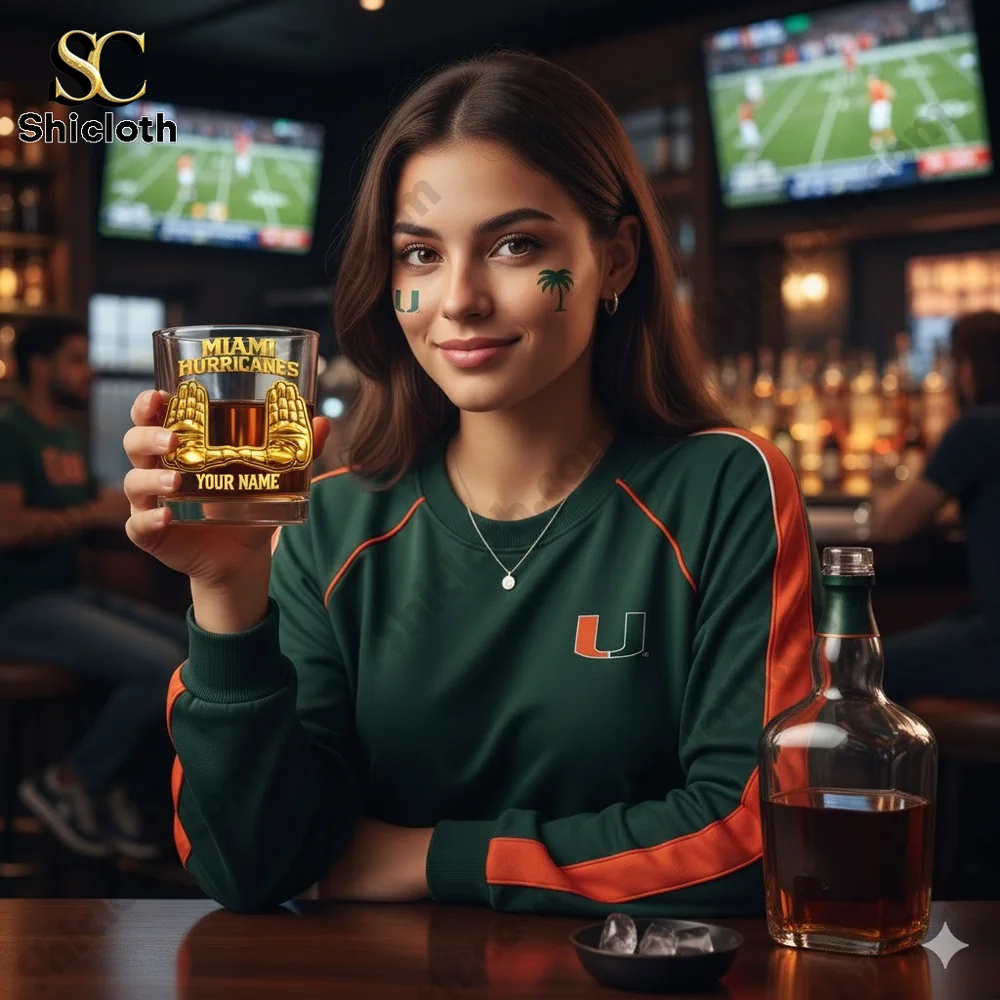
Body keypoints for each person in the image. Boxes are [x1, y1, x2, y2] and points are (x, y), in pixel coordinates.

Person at [124, 51, 822, 915]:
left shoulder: (726, 485)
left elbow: (755, 839)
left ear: (617, 259)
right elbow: (249, 870)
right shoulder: (324, 523)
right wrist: (226, 592)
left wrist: (431, 860)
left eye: (515, 246)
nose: (458, 299)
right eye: (419, 254)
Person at [0, 317, 187, 861]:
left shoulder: (62, 432)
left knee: (189, 645)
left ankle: (118, 789)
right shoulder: (11, 430)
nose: (91, 371)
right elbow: (8, 527)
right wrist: (88, 510)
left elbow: (86, 509)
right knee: (159, 667)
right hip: (15, 605)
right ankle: (68, 783)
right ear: (41, 366)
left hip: (62, 593)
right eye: (77, 359)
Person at [874, 311, 1000, 704]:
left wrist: (880, 482)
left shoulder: (977, 429)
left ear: (965, 373)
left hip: (993, 646)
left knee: (856, 670)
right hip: (980, 625)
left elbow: (892, 526)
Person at [867, 72, 896, 150]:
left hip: (880, 106)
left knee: (881, 124)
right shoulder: (883, 85)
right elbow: (892, 93)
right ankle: (880, 139)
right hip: (882, 105)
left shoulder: (877, 85)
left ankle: (890, 140)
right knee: (877, 124)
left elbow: (890, 94)